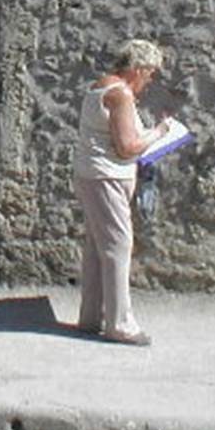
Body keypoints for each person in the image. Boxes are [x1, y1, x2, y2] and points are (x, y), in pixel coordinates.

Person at [72, 39, 170, 346]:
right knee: (118, 246)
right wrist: (160, 132)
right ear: (138, 69)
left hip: (95, 175)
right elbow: (126, 147)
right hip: (107, 178)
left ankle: (92, 317)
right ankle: (120, 325)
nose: (150, 80)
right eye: (150, 73)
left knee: (97, 247)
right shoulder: (121, 94)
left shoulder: (102, 86)